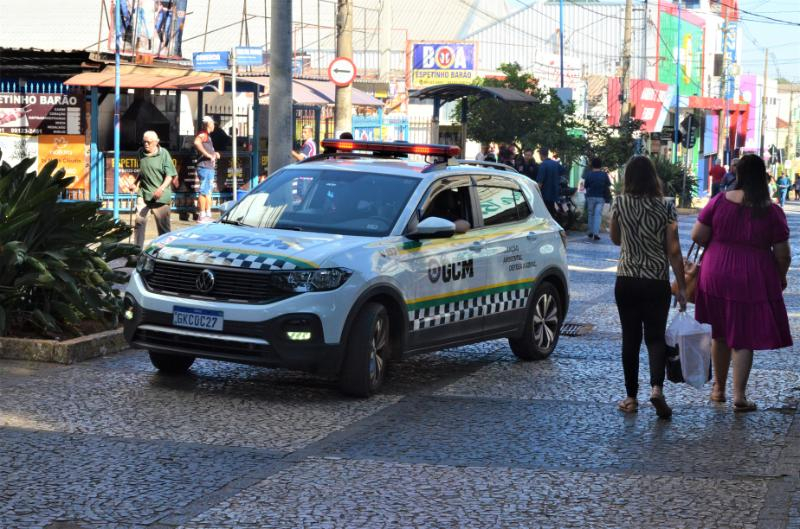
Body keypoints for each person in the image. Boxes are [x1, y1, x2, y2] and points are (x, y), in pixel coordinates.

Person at [691, 154, 792, 412]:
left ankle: (718, 390)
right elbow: (783, 253)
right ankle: (739, 396)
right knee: (743, 336)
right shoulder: (771, 211)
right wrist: (780, 276)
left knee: (720, 332)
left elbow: (698, 236)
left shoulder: (719, 202)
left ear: (739, 175)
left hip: (715, 272)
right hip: (752, 275)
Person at [610, 155, 687, 419]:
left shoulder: (620, 203)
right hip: (656, 281)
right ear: (653, 177)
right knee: (655, 338)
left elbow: (615, 239)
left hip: (627, 279)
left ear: (628, 178)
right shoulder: (666, 206)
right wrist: (683, 287)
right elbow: (674, 251)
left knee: (630, 338)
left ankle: (631, 398)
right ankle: (656, 389)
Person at [134, 130, 177, 248]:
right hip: (144, 193)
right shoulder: (140, 152)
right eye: (144, 142)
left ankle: (165, 250)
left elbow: (170, 175)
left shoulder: (164, 154)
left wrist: (161, 189)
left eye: (149, 142)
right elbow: (141, 170)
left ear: (156, 142)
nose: (146, 144)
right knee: (139, 222)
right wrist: (135, 182)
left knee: (163, 227)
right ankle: (137, 251)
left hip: (160, 196)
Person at [194, 116, 221, 223]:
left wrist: (214, 154)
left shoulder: (207, 136)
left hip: (208, 167)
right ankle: (202, 215)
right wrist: (207, 155)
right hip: (204, 167)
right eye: (213, 124)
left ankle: (207, 214)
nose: (214, 125)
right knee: (204, 191)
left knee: (208, 191)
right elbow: (196, 142)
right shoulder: (203, 134)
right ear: (209, 124)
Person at [584, 157, 611, 240]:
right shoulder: (604, 174)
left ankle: (590, 232)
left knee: (590, 214)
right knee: (597, 215)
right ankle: (596, 233)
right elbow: (608, 185)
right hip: (600, 197)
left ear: (592, 165)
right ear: (600, 165)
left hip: (590, 197)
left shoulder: (588, 174)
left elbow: (586, 185)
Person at [537, 147, 565, 218]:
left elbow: (540, 182)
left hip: (545, 194)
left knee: (546, 213)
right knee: (552, 211)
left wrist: (537, 193)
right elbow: (563, 171)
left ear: (541, 155)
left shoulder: (543, 165)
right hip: (555, 192)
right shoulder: (555, 164)